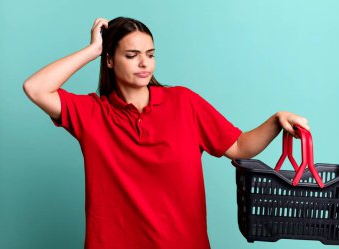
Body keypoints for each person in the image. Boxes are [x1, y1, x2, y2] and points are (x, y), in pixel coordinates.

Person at [23, 17, 310, 249]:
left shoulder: (184, 102)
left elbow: (238, 145)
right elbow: (35, 88)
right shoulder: (91, 113)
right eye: (132, 55)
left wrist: (276, 120)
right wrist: (93, 50)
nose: (144, 63)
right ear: (110, 60)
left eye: (150, 54)